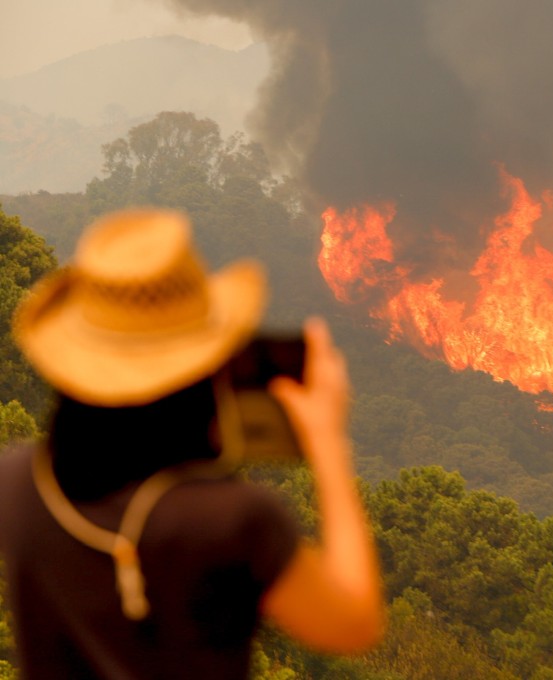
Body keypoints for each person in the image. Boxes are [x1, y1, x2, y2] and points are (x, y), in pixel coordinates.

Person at [0, 209, 384, 678]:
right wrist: (327, 443)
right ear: (206, 366)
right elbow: (352, 623)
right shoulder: (231, 520)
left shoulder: (17, 482)